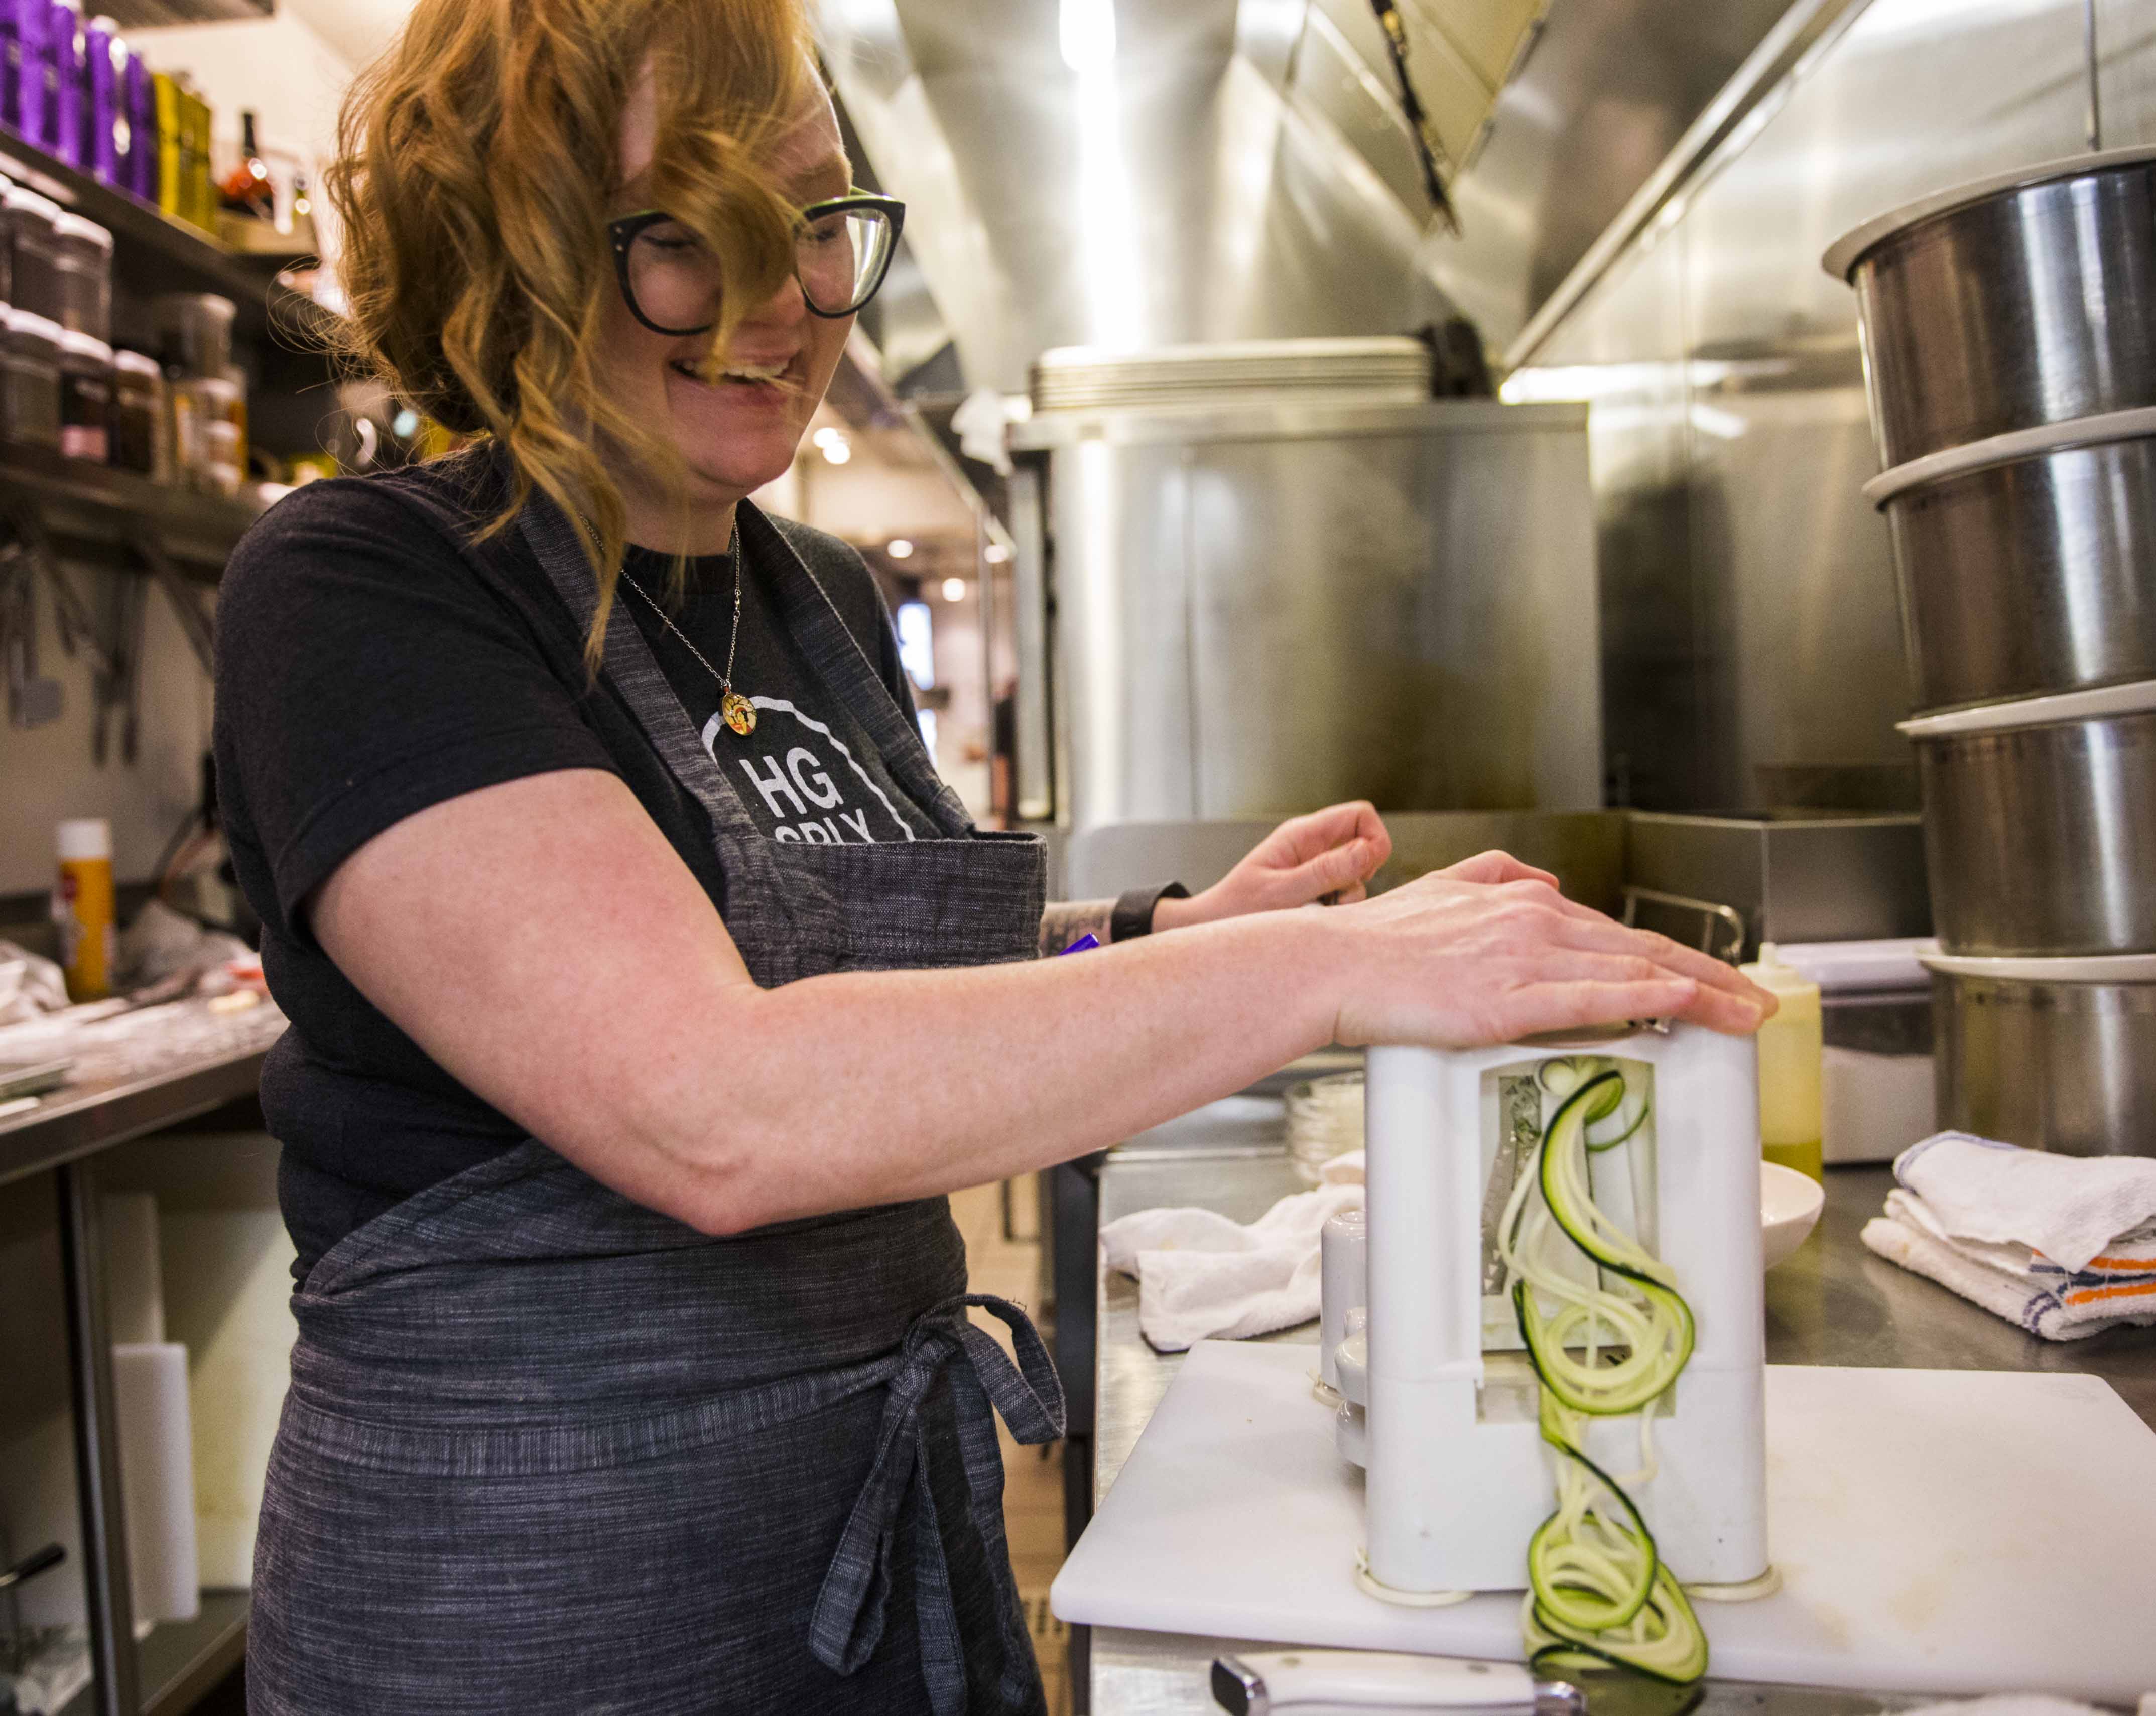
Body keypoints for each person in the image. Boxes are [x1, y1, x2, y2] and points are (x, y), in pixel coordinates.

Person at [212, 2, 1773, 1710]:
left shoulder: (815, 595)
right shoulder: (369, 591)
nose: (780, 310)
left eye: (817, 229)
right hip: (535, 1611)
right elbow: (709, 1100)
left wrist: (1172, 933)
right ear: (506, 244)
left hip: (872, 1561)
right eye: (687, 240)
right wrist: (1325, 969)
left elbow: (887, 991)